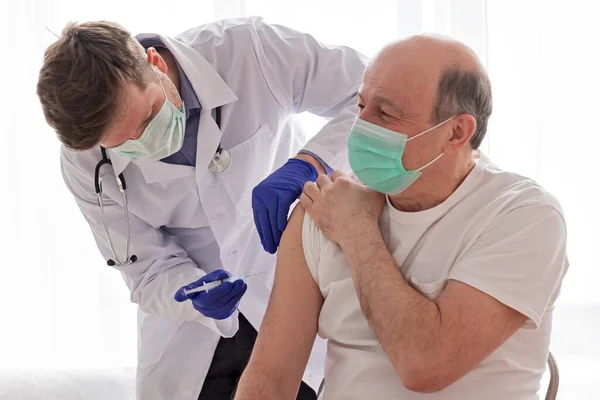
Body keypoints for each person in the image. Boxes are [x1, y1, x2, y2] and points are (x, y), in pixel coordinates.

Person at [36, 17, 368, 400]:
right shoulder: (86, 163)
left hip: (289, 296)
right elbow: (144, 269)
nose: (144, 144)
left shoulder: (249, 52)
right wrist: (187, 291)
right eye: (123, 144)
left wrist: (312, 161)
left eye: (146, 120)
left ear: (155, 64)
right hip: (189, 339)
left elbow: (371, 98)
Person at [235, 35, 569, 400]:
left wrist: (358, 231)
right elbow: (270, 378)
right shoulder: (323, 208)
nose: (360, 125)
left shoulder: (522, 216)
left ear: (457, 132)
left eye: (386, 113)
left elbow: (425, 364)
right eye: (361, 105)